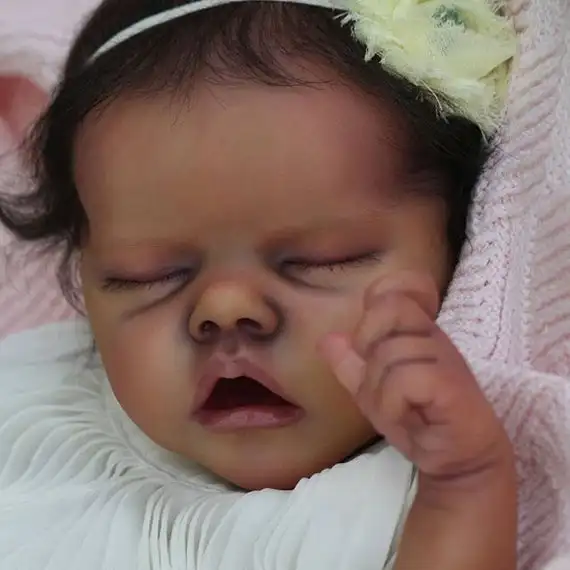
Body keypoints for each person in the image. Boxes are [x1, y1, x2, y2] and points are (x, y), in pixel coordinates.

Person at [0, 0, 519, 567]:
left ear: (460, 241)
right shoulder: (30, 413)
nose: (225, 307)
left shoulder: (425, 486)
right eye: (148, 275)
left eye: (320, 260)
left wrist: (465, 486)